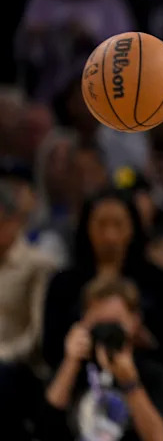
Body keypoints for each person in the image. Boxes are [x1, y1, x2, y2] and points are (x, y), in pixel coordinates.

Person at [42, 189, 163, 371]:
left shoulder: (157, 281)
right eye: (101, 225)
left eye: (118, 225)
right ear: (86, 227)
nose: (110, 235)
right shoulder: (63, 283)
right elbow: (50, 349)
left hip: (142, 372)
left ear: (133, 228)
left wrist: (142, 336)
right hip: (79, 373)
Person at [40, 276, 163, 441]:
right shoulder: (71, 366)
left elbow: (159, 438)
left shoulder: (150, 372)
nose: (107, 332)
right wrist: (70, 363)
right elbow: (45, 430)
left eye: (115, 323)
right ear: (84, 320)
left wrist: (130, 382)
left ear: (135, 321)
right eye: (100, 323)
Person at [0, 179, 56, 440]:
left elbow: (36, 335)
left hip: (21, 369)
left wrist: (3, 353)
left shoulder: (38, 265)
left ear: (15, 220)